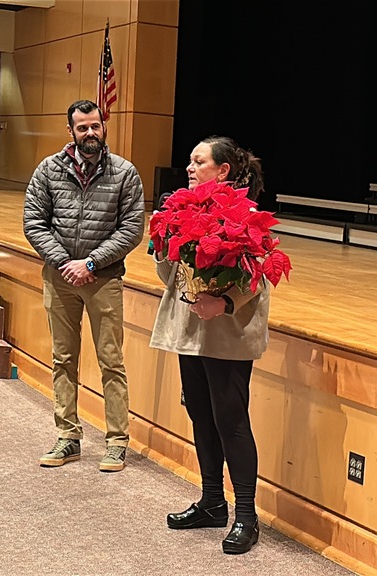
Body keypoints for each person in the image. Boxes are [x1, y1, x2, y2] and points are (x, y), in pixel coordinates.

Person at [150, 135, 269, 555]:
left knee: (231, 422)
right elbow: (170, 278)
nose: (189, 167)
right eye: (189, 160)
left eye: (199, 161)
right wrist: (162, 237)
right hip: (191, 332)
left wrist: (224, 301)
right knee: (201, 416)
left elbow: (260, 279)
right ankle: (212, 502)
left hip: (228, 335)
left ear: (223, 171)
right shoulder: (184, 211)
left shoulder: (248, 214)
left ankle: (247, 517)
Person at [23, 99, 144, 473]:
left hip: (103, 278)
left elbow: (132, 228)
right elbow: (33, 222)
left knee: (111, 360)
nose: (90, 133)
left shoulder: (125, 173)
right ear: (70, 131)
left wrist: (91, 263)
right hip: (60, 278)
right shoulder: (48, 169)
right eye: (82, 128)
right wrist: (65, 263)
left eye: (95, 126)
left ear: (103, 126)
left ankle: (117, 442)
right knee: (63, 358)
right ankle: (68, 438)